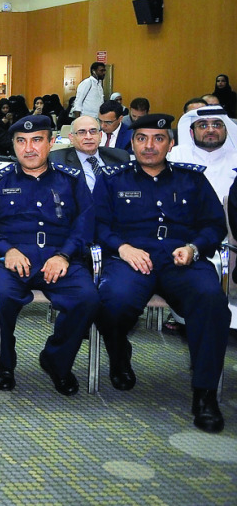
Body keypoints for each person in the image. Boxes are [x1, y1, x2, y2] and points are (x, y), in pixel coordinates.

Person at [94, 114, 226, 433]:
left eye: (157, 139)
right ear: (132, 142)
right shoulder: (113, 179)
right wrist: (122, 248)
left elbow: (214, 224)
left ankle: (205, 394)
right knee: (111, 299)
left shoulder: (192, 179)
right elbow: (97, 224)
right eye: (142, 138)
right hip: (131, 258)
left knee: (211, 302)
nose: (149, 146)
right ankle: (119, 351)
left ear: (170, 143)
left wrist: (195, 248)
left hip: (181, 259)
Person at [0, 115, 98, 394]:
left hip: (59, 257)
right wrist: (7, 251)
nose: (28, 148)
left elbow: (85, 225)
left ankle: (57, 361)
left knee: (87, 298)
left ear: (51, 143)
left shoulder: (71, 180)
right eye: (21, 141)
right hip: (11, 260)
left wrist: (65, 255)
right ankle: (3, 364)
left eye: (36, 140)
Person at [166, 105, 237, 201]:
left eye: (217, 125)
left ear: (226, 131)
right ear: (191, 132)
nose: (211, 130)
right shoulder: (173, 157)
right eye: (203, 125)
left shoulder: (235, 158)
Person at [49, 116, 130, 191]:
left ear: (100, 136)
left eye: (93, 131)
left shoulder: (120, 157)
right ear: (71, 138)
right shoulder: (56, 159)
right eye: (81, 132)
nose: (88, 137)